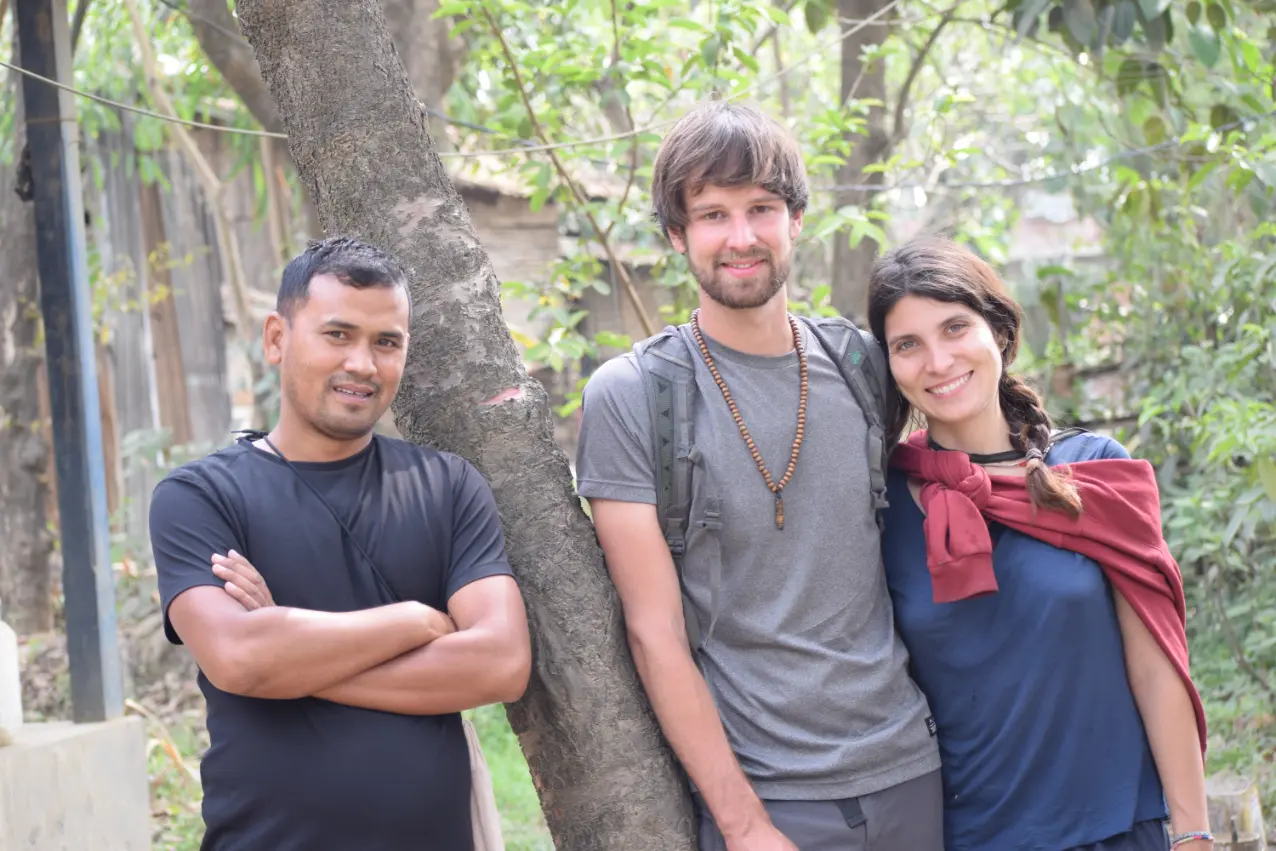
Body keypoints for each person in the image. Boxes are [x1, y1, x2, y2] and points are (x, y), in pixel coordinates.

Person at [576, 100, 943, 851]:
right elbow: (654, 633)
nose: (740, 238)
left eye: (762, 208)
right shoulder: (635, 394)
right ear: (678, 234)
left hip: (911, 768)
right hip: (769, 795)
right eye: (712, 214)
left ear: (796, 219)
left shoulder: (864, 366)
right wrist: (743, 823)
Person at [149, 237, 531, 851]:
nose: (362, 363)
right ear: (277, 338)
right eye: (338, 334)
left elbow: (501, 663)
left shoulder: (447, 486)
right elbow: (239, 659)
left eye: (386, 342)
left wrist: (287, 650)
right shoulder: (201, 496)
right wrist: (415, 621)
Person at [868, 236, 1213, 851]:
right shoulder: (883, 503)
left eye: (955, 328)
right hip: (969, 835)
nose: (938, 361)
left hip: (1116, 826)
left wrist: (1192, 833)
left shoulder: (1096, 471)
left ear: (998, 331)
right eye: (907, 345)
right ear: (889, 366)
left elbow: (1157, 664)